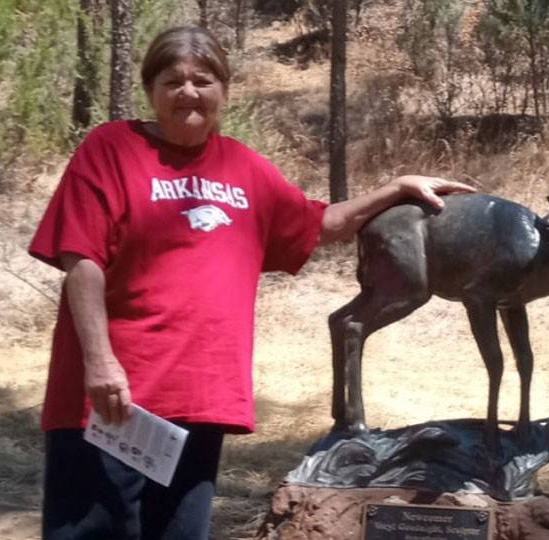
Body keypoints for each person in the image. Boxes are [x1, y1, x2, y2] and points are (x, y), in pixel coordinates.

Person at [29, 25, 473, 539]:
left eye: (203, 80)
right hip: (114, 400)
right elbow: (81, 257)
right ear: (151, 90)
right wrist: (100, 362)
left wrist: (395, 189)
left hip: (199, 398)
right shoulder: (111, 149)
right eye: (173, 81)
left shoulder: (243, 166)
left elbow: (319, 223)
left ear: (224, 90)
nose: (189, 92)